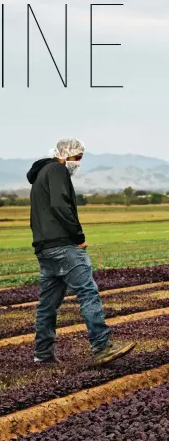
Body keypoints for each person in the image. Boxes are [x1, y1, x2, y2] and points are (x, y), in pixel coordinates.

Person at [27, 138, 136, 365]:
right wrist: (78, 237)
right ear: (65, 154)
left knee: (48, 303)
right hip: (64, 246)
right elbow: (60, 205)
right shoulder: (57, 170)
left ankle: (43, 353)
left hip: (44, 248)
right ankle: (102, 346)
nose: (77, 163)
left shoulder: (39, 175)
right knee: (88, 292)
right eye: (77, 158)